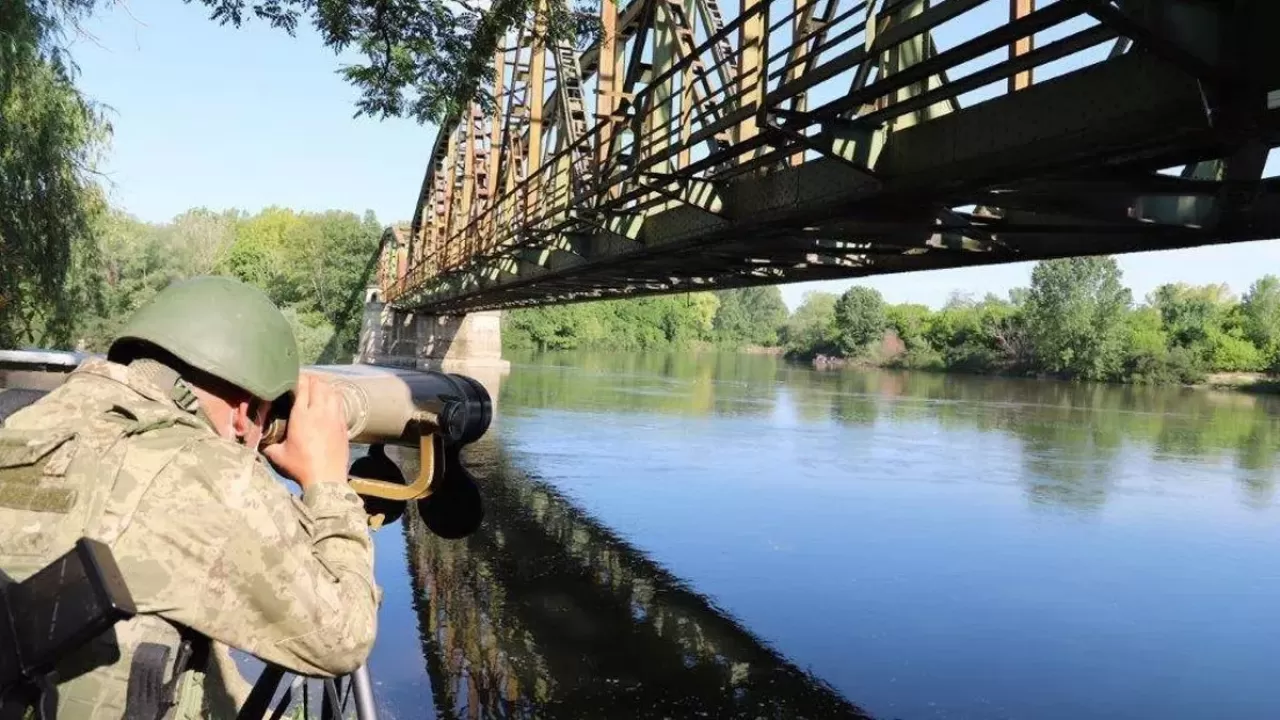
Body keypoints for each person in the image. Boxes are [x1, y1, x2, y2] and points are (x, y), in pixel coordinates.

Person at [0, 276, 381, 719]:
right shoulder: (207, 475)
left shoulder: (25, 418)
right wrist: (328, 483)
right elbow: (343, 637)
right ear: (243, 414)